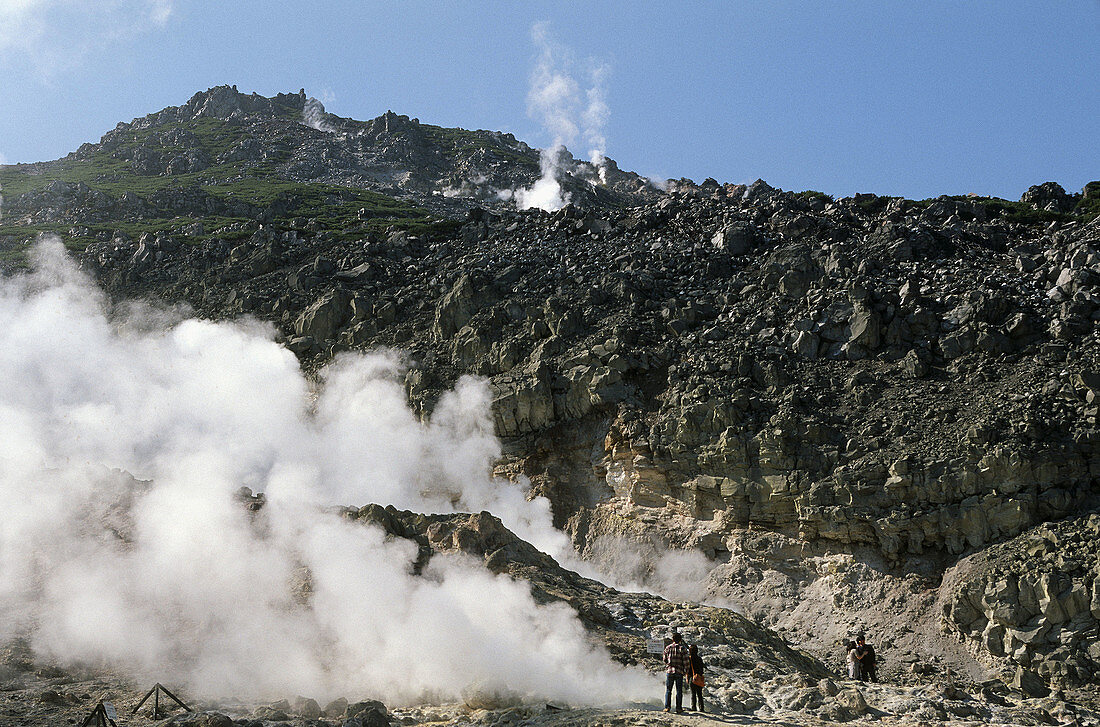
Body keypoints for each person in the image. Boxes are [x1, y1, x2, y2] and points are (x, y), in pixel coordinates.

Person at [663, 632, 690, 713]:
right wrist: (687, 671)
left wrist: (668, 664)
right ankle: (678, 708)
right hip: (679, 671)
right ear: (680, 640)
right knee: (679, 690)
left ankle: (667, 707)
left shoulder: (668, 648)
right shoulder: (683, 648)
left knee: (668, 690)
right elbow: (686, 661)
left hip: (670, 671)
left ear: (672, 639)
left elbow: (664, 659)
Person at [687, 643, 705, 713]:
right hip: (699, 677)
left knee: (693, 694)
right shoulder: (699, 659)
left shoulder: (689, 658)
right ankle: (701, 708)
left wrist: (687, 677)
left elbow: (688, 670)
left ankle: (693, 707)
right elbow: (701, 669)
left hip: (692, 678)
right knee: (700, 694)